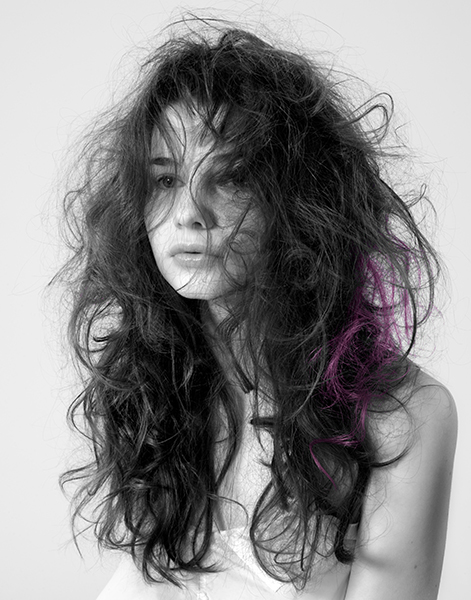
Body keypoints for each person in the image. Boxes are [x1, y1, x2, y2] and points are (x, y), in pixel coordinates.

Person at [55, 18, 458, 600]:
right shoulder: (153, 382)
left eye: (232, 176)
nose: (188, 213)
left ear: (301, 199)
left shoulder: (401, 417)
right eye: (164, 179)